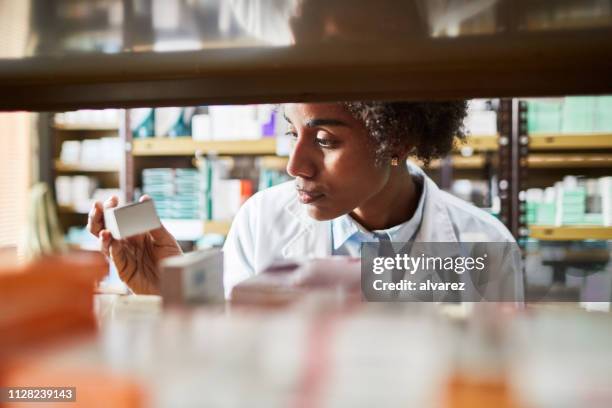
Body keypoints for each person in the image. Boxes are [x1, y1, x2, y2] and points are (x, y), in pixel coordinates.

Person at [88, 101, 520, 299]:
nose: (296, 165)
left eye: (326, 140)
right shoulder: (261, 220)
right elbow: (238, 371)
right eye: (292, 133)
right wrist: (170, 293)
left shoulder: (484, 245)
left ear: (397, 140)